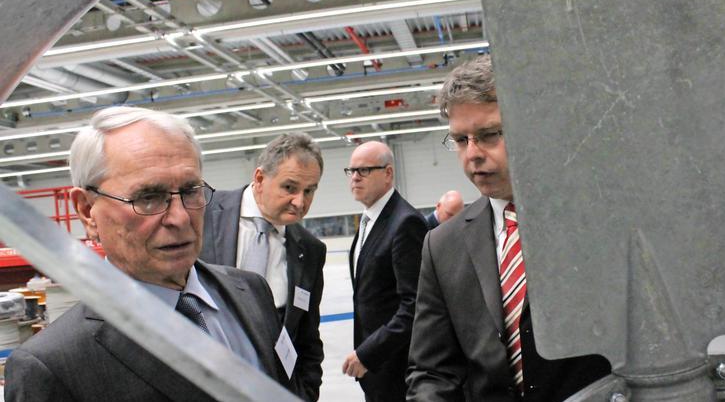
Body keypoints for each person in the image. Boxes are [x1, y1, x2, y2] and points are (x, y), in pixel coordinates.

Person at [4, 106, 290, 401]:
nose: (179, 218)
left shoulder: (251, 291)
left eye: (191, 190)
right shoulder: (51, 367)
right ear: (88, 211)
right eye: (149, 197)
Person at [406, 55, 610, 401]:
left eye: (488, 135)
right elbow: (432, 370)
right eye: (460, 140)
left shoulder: (599, 221)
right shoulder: (442, 246)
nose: (472, 154)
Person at [201, 132, 326, 401]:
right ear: (260, 179)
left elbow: (307, 339)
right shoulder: (204, 213)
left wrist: (305, 393)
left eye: (309, 190)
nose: (300, 202)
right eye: (289, 188)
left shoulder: (311, 250)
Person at [341, 141, 427, 402]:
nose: (354, 177)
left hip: (397, 368)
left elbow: (414, 306)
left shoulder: (405, 223)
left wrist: (369, 353)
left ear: (388, 173)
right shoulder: (369, 220)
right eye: (351, 170)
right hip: (377, 369)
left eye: (364, 170)